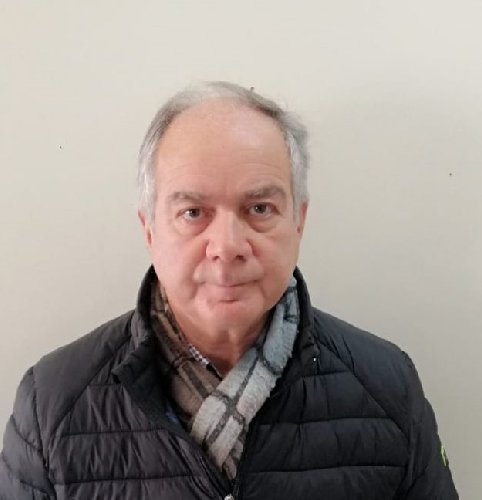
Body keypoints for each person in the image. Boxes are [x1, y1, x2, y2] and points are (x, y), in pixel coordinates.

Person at [0, 81, 458, 499]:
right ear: (149, 229)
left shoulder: (388, 386)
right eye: (193, 213)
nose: (227, 247)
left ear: (298, 221)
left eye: (259, 208)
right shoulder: (51, 405)